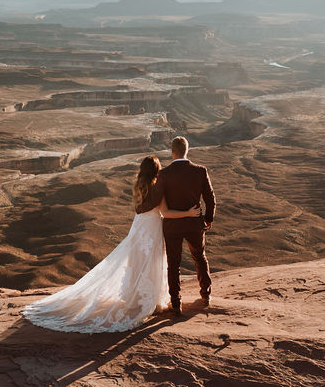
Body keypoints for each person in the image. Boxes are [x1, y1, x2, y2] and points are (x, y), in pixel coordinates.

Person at [22, 155, 200, 333]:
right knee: (151, 261)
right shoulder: (157, 189)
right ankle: (148, 299)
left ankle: (138, 296)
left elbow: (141, 208)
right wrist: (189, 213)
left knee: (137, 259)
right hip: (151, 228)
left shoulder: (139, 185)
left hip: (139, 226)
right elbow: (166, 213)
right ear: (156, 170)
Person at [134, 136, 215, 316]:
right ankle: (205, 294)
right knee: (199, 258)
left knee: (173, 264)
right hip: (194, 223)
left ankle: (176, 302)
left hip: (173, 227)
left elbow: (155, 200)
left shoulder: (165, 174)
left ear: (172, 152)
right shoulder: (201, 171)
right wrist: (208, 219)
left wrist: (140, 208)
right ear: (187, 150)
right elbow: (210, 199)